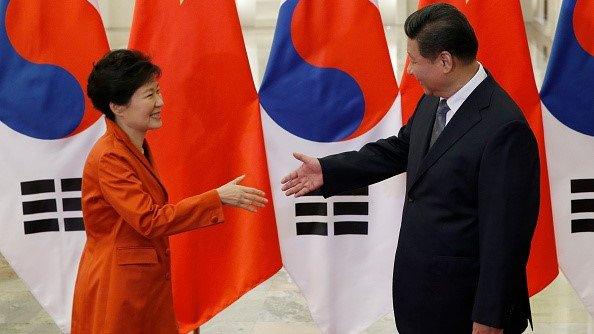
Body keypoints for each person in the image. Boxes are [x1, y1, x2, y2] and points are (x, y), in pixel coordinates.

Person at [281, 4, 539, 334]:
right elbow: (401, 149)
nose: (410, 71)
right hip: (421, 300)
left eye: (415, 61)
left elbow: (505, 240)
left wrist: (490, 318)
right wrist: (329, 171)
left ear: (445, 61)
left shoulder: (504, 130)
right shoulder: (435, 98)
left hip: (464, 312)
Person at [71, 49, 268, 334]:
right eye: (149, 95)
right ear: (118, 106)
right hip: (120, 290)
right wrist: (217, 197)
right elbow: (149, 220)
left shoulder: (133, 147)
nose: (161, 102)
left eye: (158, 92)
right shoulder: (110, 157)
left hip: (143, 286)